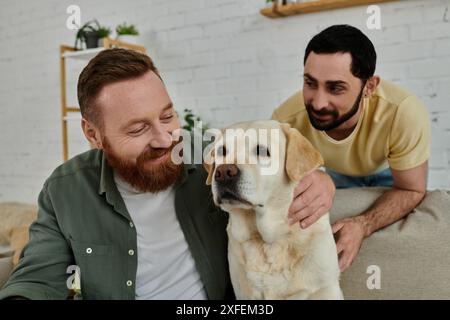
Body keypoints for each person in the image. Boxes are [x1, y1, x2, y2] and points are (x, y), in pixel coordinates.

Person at [0, 49, 235, 300]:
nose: (164, 139)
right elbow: (36, 279)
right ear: (93, 135)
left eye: (167, 116)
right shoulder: (64, 190)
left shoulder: (212, 157)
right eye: (137, 129)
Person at [272, 24, 430, 272]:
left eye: (335, 88)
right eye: (310, 83)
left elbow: (412, 189)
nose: (318, 102)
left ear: (369, 87)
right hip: (329, 171)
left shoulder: (403, 112)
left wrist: (363, 224)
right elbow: (274, 189)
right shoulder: (286, 121)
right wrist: (319, 177)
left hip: (387, 170)